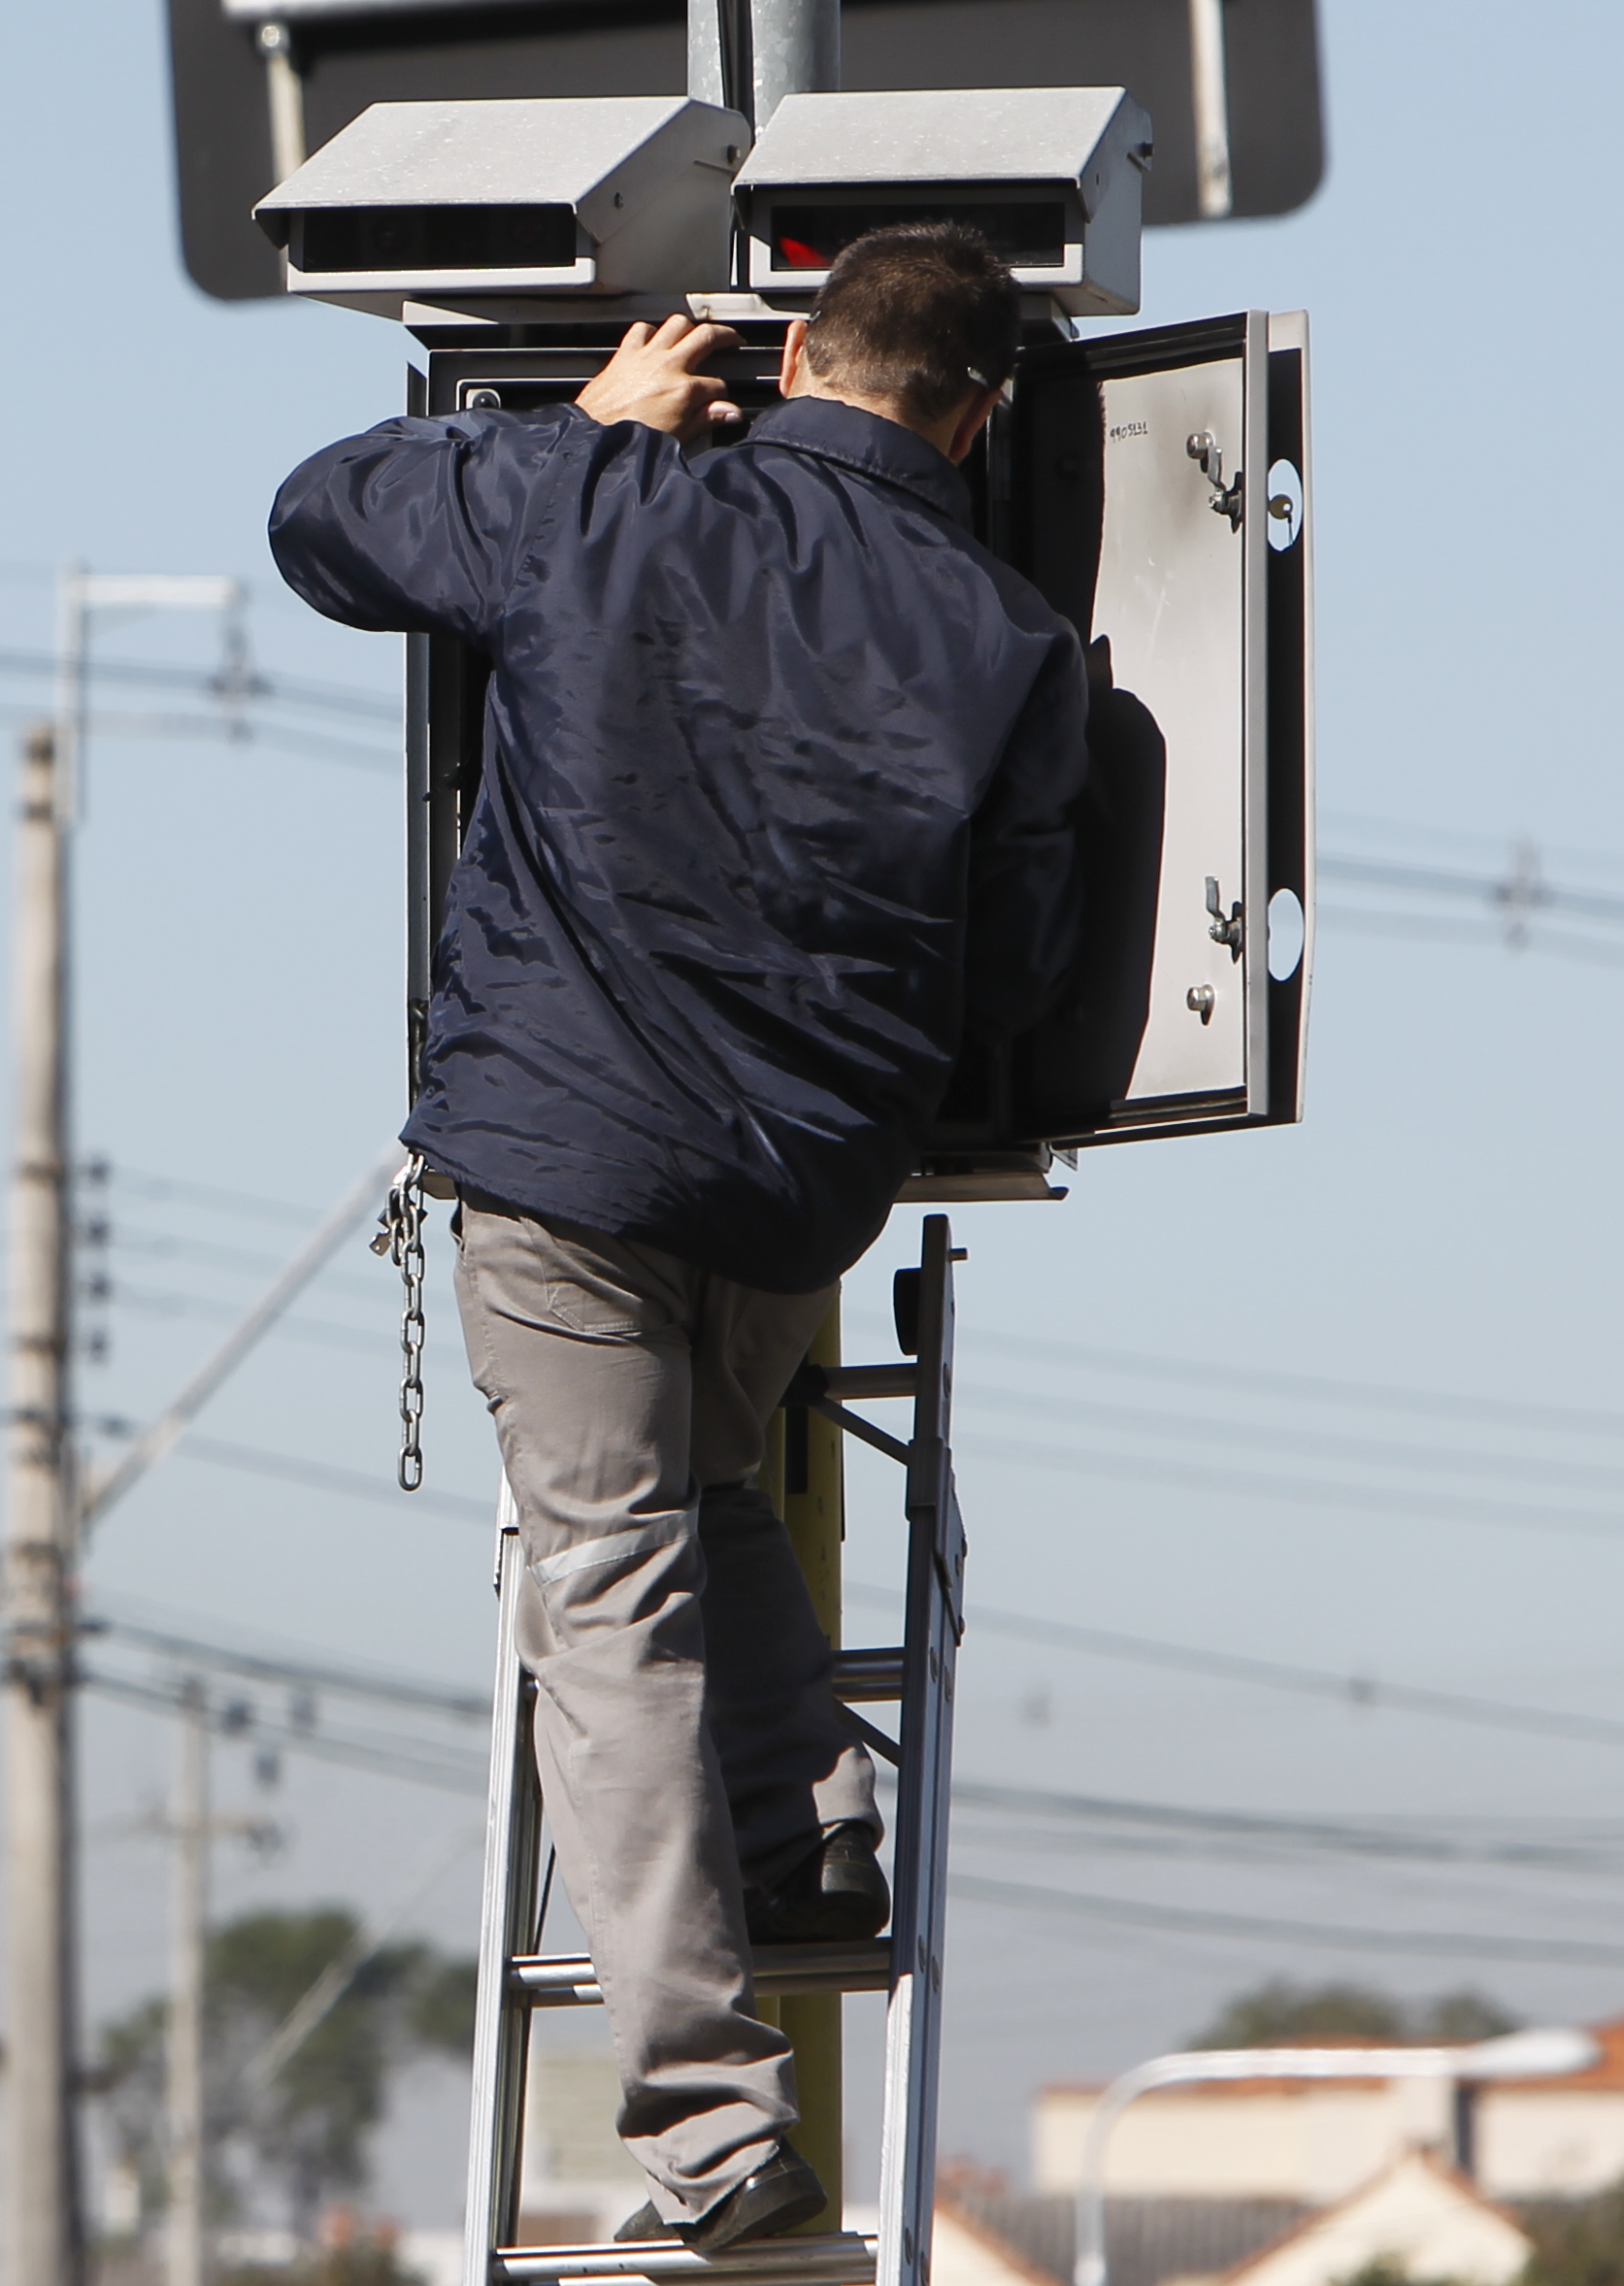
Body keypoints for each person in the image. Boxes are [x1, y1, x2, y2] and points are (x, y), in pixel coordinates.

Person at [266, 222, 1091, 2253]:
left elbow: (324, 523)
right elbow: (1026, 972)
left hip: (567, 1158)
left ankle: (708, 2131)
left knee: (604, 1593)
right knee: (706, 1483)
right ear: (975, 418)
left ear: (795, 349)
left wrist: (591, 414)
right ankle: (809, 1832)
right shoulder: (1011, 648)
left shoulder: (604, 505)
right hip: (796, 1178)